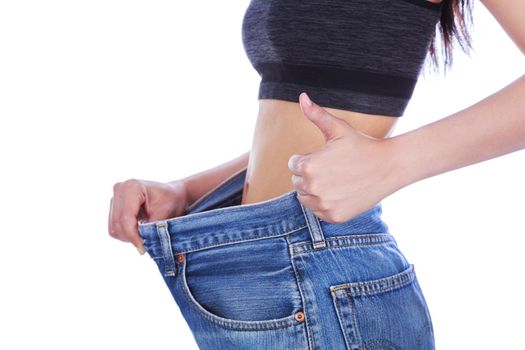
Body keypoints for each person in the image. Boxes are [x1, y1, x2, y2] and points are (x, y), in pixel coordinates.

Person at [108, 0, 525, 348]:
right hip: (251, 261)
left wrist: (394, 162)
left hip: (319, 274)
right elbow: (302, 132)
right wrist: (186, 190)